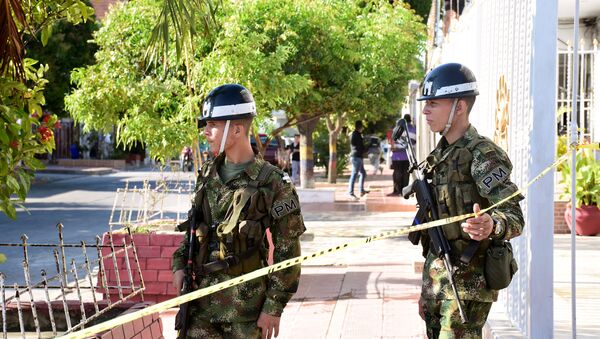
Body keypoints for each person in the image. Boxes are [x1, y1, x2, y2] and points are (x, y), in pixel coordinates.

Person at [172, 84, 306, 338]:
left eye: (213, 125)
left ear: (236, 129)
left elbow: (288, 252)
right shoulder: (207, 173)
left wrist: (273, 307)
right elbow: (193, 227)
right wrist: (179, 264)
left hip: (244, 314)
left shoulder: (274, 183)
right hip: (199, 308)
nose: (206, 133)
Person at [415, 63, 524, 338]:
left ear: (459, 106)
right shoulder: (439, 156)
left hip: (468, 285)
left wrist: (492, 225)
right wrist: (427, 288)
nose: (426, 110)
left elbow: (514, 216)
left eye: (433, 103)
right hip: (438, 281)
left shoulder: (482, 155)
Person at [387, 114, 416, 196]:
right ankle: (405, 192)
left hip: (397, 156)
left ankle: (397, 191)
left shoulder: (398, 129)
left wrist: (395, 148)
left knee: (397, 173)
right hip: (408, 156)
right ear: (410, 120)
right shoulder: (414, 130)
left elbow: (392, 141)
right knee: (406, 174)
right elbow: (414, 143)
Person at [347, 120, 369, 200]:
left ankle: (361, 190)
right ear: (360, 127)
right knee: (354, 174)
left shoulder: (357, 134)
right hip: (356, 157)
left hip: (358, 156)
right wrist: (364, 148)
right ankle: (350, 193)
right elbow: (357, 145)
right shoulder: (355, 134)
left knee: (363, 173)